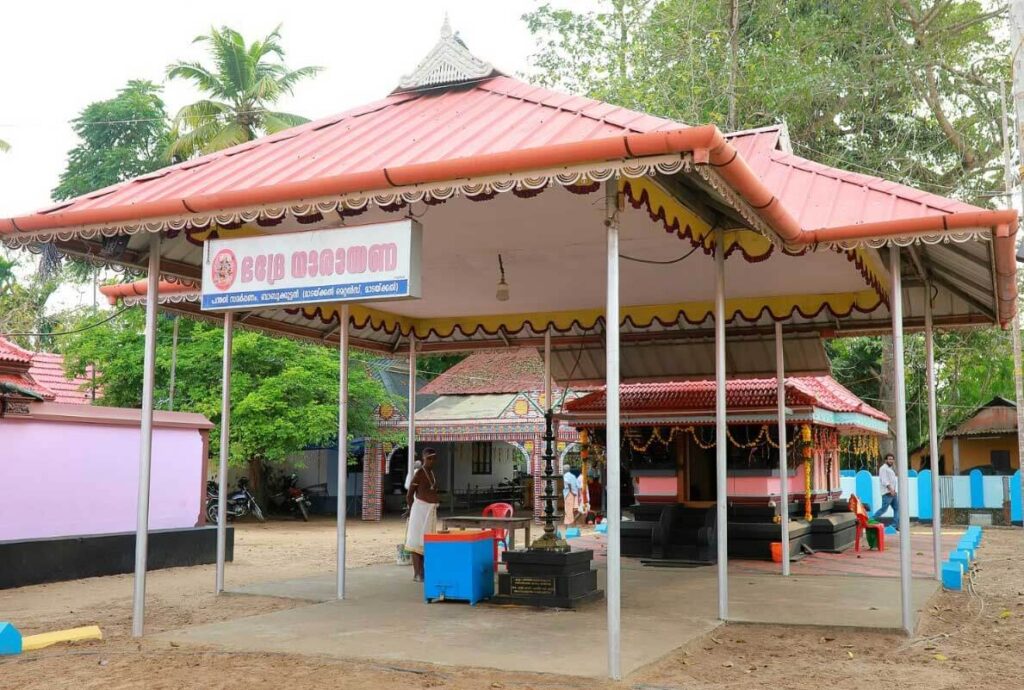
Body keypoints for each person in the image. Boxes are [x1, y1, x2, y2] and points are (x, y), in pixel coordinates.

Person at [405, 448, 440, 582]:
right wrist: (410, 509)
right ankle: (417, 574)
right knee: (415, 541)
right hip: (419, 510)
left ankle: (424, 572)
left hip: (430, 511)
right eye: (428, 458)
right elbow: (409, 495)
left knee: (426, 542)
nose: (431, 461)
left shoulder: (432, 473)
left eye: (433, 458)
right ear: (424, 458)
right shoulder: (419, 472)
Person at [873, 452, 899, 530]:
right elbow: (884, 481)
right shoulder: (883, 468)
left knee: (897, 508)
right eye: (889, 459)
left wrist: (893, 491)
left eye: (892, 459)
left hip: (893, 492)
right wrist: (891, 489)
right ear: (886, 460)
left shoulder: (889, 469)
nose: (891, 461)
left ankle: (895, 525)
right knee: (883, 509)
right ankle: (870, 520)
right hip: (887, 493)